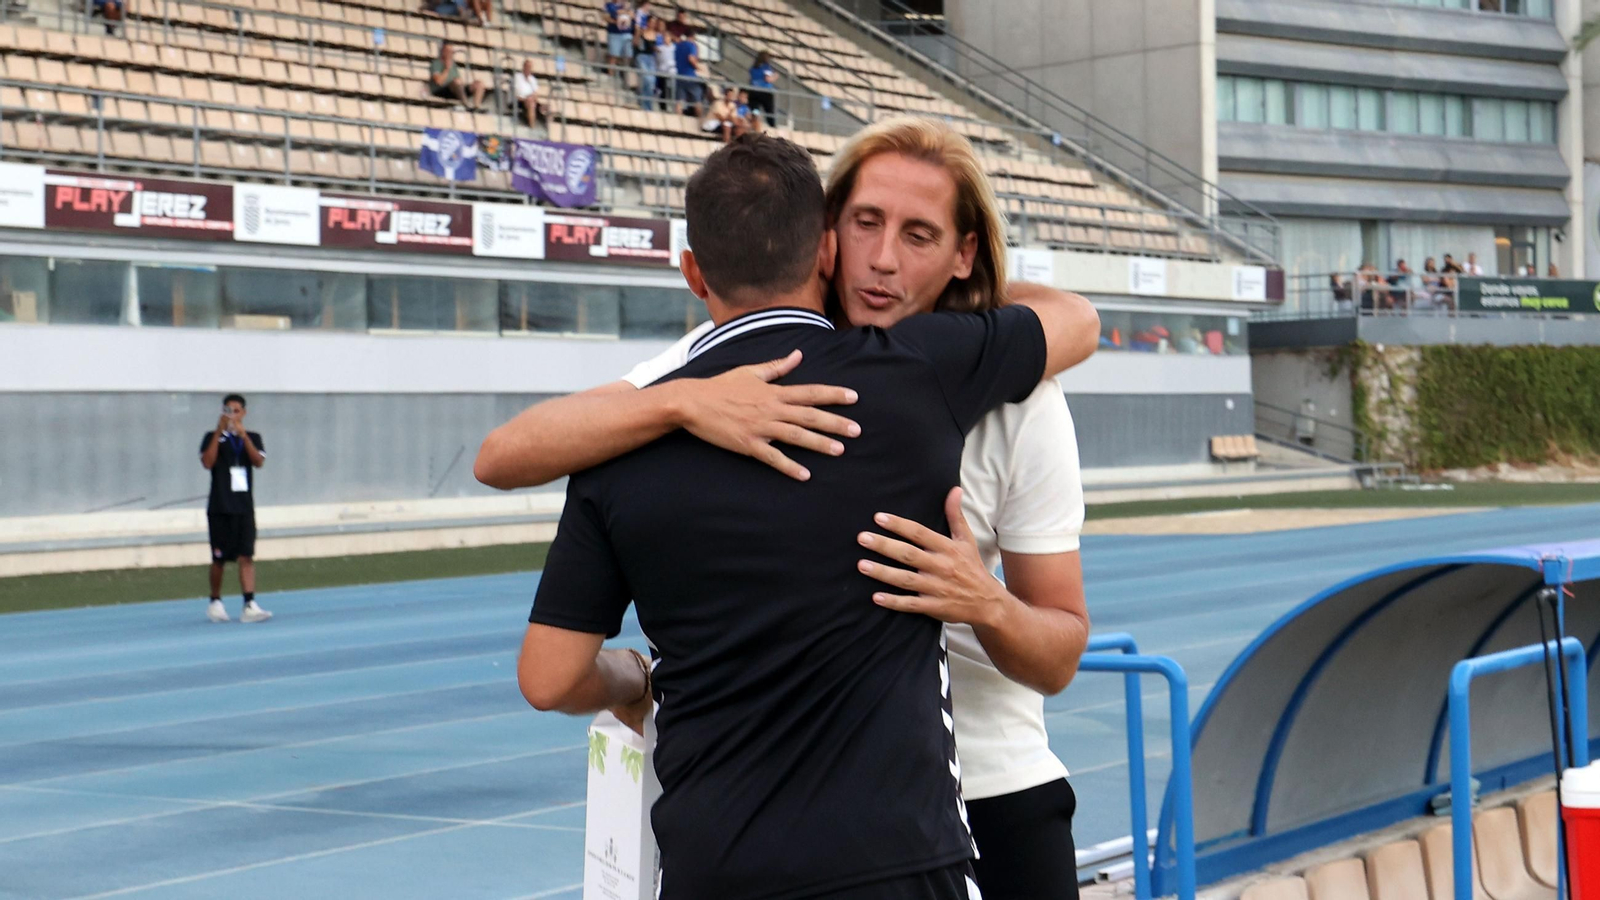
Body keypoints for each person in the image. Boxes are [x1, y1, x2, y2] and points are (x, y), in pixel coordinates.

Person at [478, 117, 1097, 900]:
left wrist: (985, 603)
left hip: (989, 796)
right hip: (854, 832)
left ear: (963, 254)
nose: (883, 260)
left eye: (919, 236)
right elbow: (503, 453)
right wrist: (681, 406)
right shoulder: (703, 379)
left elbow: (1060, 653)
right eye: (865, 224)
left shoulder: (1014, 396)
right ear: (825, 239)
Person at [200, 394, 271, 624]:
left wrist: (243, 437)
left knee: (246, 555)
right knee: (219, 558)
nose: (232, 415)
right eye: (228, 410)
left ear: (244, 413)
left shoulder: (253, 437)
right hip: (220, 507)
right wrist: (219, 432)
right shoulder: (212, 437)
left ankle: (249, 603)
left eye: (236, 410)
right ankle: (215, 601)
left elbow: (258, 462)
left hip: (243, 507)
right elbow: (207, 462)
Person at [429, 43, 486, 110]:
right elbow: (438, 81)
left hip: (456, 89)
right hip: (442, 90)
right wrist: (447, 69)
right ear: (443, 52)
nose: (451, 54)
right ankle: (466, 104)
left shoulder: (453, 65)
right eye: (449, 52)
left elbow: (459, 79)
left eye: (452, 52)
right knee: (456, 81)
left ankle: (476, 106)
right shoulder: (436, 63)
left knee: (479, 84)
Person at [635, 15, 663, 111]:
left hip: (651, 58)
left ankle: (648, 105)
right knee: (646, 79)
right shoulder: (642, 31)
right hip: (642, 56)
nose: (653, 24)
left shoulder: (656, 34)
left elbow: (659, 47)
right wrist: (637, 35)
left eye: (654, 23)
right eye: (651, 22)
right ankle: (643, 103)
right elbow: (635, 44)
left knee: (651, 82)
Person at [674, 29, 703, 116]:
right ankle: (700, 120)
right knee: (697, 99)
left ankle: (678, 119)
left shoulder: (678, 45)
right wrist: (698, 67)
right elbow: (691, 58)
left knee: (680, 100)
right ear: (693, 36)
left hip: (679, 75)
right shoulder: (691, 45)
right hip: (690, 76)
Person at [748, 49, 778, 127]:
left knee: (755, 109)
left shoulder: (754, 67)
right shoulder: (766, 67)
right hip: (765, 91)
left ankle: (754, 123)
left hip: (754, 90)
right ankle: (772, 126)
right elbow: (768, 79)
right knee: (769, 111)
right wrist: (775, 76)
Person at [513, 59, 545, 126]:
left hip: (531, 99)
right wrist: (527, 98)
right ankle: (532, 126)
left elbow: (536, 93)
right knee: (531, 104)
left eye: (530, 67)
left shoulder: (532, 79)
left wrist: (532, 97)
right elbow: (518, 92)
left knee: (547, 107)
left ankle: (547, 129)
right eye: (527, 67)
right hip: (521, 99)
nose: (529, 69)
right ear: (524, 67)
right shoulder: (517, 77)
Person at [603, 0, 634, 69]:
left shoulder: (627, 5)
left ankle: (623, 72)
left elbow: (632, 15)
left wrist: (625, 12)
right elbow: (605, 17)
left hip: (626, 33)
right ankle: (611, 75)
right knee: (614, 56)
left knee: (628, 55)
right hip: (614, 34)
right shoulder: (609, 5)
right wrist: (617, 21)